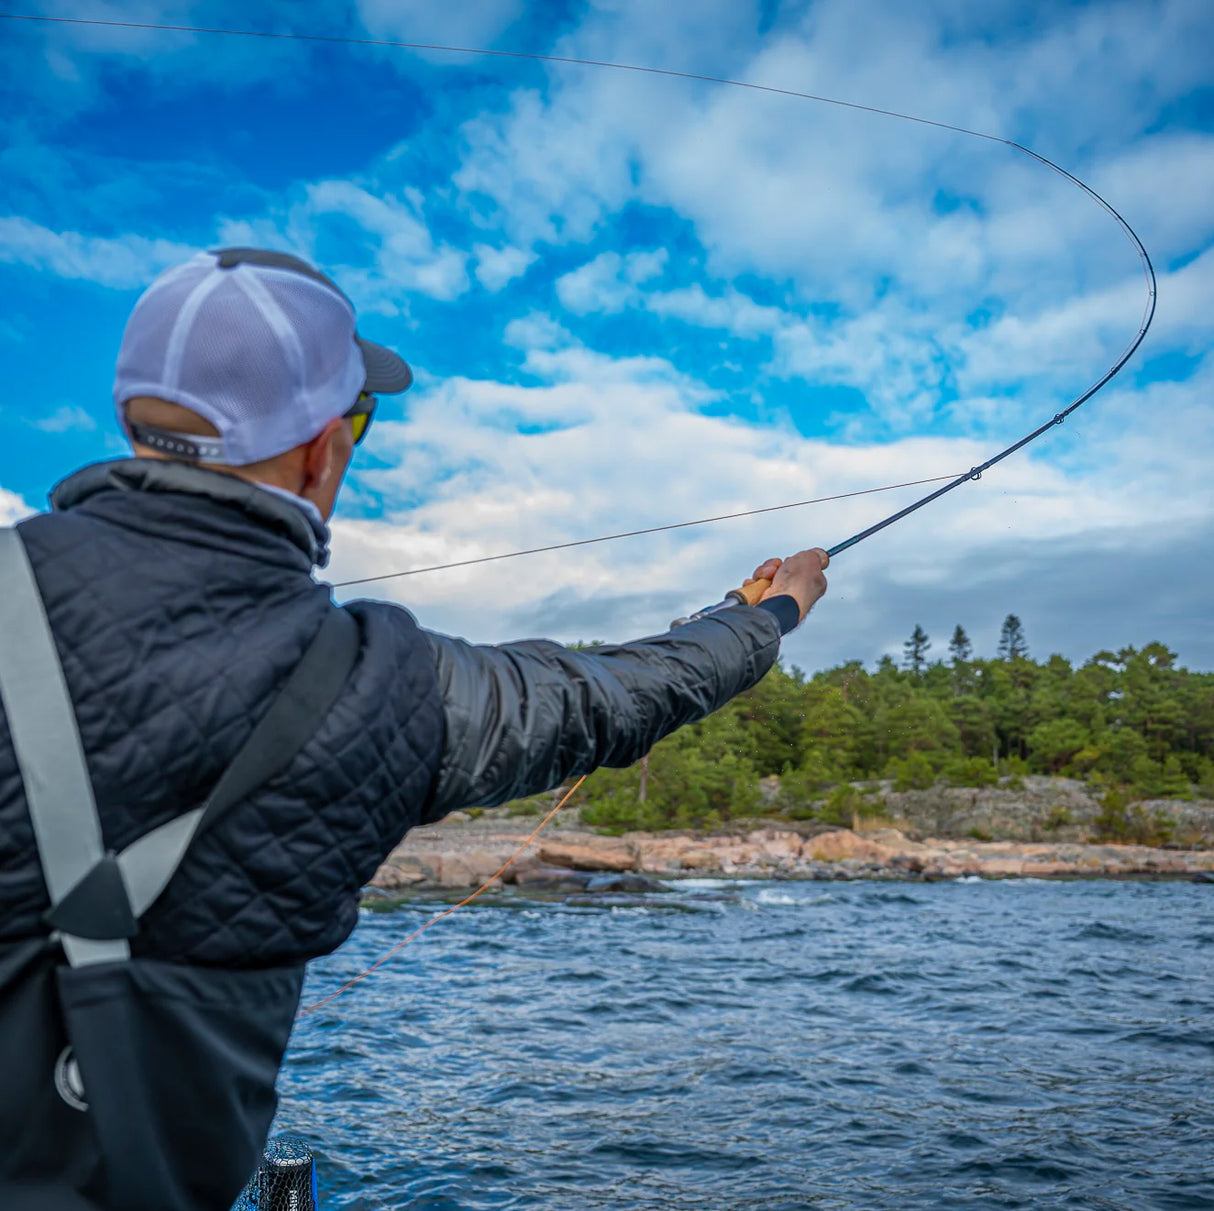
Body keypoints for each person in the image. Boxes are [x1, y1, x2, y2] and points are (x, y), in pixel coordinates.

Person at [0, 247, 829, 1211]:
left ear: (135, 426)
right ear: (324, 451)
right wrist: (765, 614)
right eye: (358, 416)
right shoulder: (380, 685)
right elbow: (613, 696)